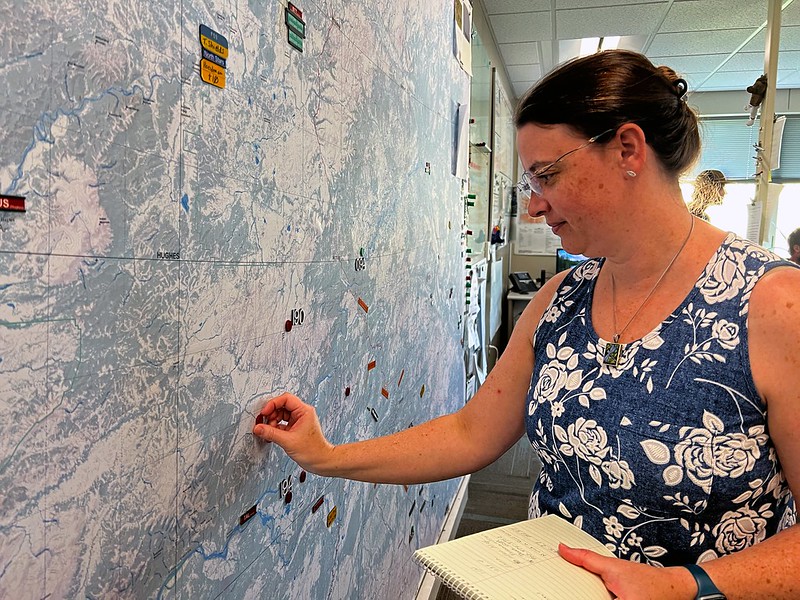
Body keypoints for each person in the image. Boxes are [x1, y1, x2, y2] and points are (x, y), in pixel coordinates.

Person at [253, 50, 800, 599]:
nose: (534, 207)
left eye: (547, 175)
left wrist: (683, 586)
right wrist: (328, 456)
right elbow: (471, 432)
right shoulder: (561, 298)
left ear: (627, 149)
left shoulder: (774, 304)